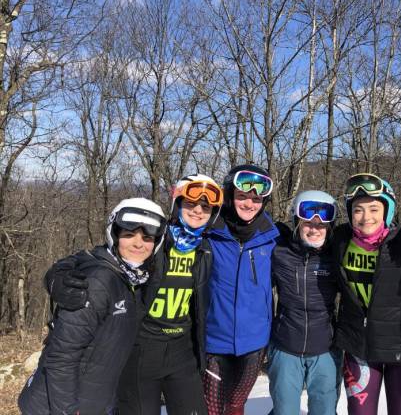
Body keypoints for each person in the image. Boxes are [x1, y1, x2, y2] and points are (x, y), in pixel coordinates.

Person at [18, 198, 166, 415]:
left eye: (147, 237)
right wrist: (67, 410)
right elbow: (61, 357)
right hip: (59, 405)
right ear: (114, 236)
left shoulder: (135, 279)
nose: (138, 243)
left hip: (95, 399)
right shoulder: (98, 281)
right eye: (128, 234)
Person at [116, 175, 223, 415]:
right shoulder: (154, 240)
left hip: (182, 350)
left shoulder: (204, 250)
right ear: (177, 204)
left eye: (206, 207)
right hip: (142, 347)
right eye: (190, 204)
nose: (198, 211)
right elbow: (104, 260)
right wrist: (62, 276)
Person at [332, 173, 401, 415]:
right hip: (358, 347)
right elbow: (304, 241)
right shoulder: (339, 241)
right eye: (358, 210)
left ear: (387, 211)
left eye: (374, 209)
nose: (366, 217)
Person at [203, 164, 279, 415]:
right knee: (212, 409)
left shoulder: (272, 238)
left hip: (255, 341)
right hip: (214, 339)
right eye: (243, 197)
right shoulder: (208, 232)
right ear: (229, 195)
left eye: (257, 199)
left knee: (236, 405)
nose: (249, 204)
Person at [267, 190, 341, 415]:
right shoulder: (279, 252)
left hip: (325, 348)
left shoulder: (337, 255)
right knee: (284, 410)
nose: (315, 229)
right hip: (286, 346)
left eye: (321, 225)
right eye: (308, 222)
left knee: (325, 410)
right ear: (296, 222)